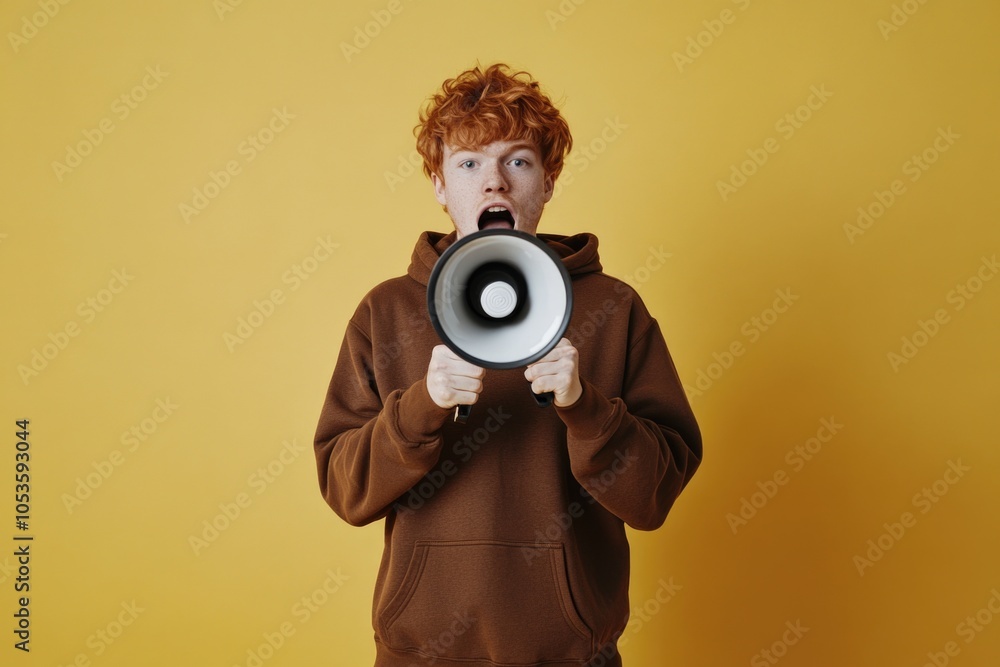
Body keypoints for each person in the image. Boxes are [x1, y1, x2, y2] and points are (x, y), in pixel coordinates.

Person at [313, 62, 702, 667]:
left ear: (547, 182)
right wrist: (420, 409)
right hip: (421, 654)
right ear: (440, 184)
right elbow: (345, 489)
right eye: (469, 163)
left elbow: (653, 496)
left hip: (570, 654)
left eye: (517, 161)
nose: (493, 183)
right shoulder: (385, 312)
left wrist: (587, 408)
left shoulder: (614, 308)